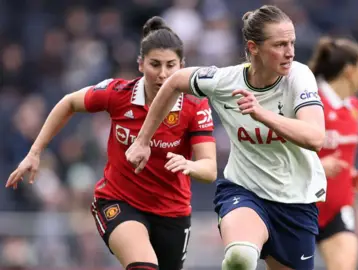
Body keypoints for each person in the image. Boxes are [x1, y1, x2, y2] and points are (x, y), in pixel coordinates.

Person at [5, 16, 217, 270]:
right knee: (144, 266)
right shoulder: (119, 94)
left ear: (182, 66)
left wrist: (189, 165)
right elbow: (69, 103)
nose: (163, 74)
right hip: (118, 201)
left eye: (171, 65)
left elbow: (209, 170)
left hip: (173, 211)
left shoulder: (195, 105)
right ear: (140, 64)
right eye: (155, 64)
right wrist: (35, 152)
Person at [126, 5, 327, 270]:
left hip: (296, 202)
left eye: (291, 43)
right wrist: (142, 140)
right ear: (253, 47)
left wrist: (261, 114)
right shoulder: (224, 81)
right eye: (279, 44)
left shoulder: (299, 77)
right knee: (240, 257)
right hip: (245, 192)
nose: (289, 52)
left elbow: (315, 138)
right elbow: (174, 81)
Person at [308, 37, 358, 270]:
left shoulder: (353, 107)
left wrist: (351, 175)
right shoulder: (309, 102)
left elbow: (341, 155)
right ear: (349, 71)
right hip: (301, 205)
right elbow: (282, 152)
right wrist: (317, 166)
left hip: (337, 208)